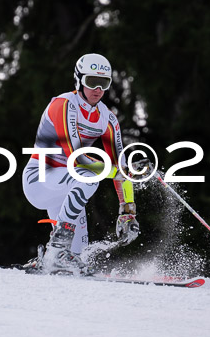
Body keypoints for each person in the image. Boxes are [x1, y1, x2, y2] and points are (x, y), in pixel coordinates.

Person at [21, 53, 140, 275]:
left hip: (65, 186)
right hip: (40, 179)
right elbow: (77, 157)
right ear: (79, 80)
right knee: (89, 175)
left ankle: (51, 261)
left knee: (78, 255)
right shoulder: (64, 104)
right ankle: (57, 250)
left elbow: (121, 166)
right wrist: (116, 171)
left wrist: (127, 210)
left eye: (103, 83)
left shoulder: (108, 118)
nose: (98, 89)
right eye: (91, 82)